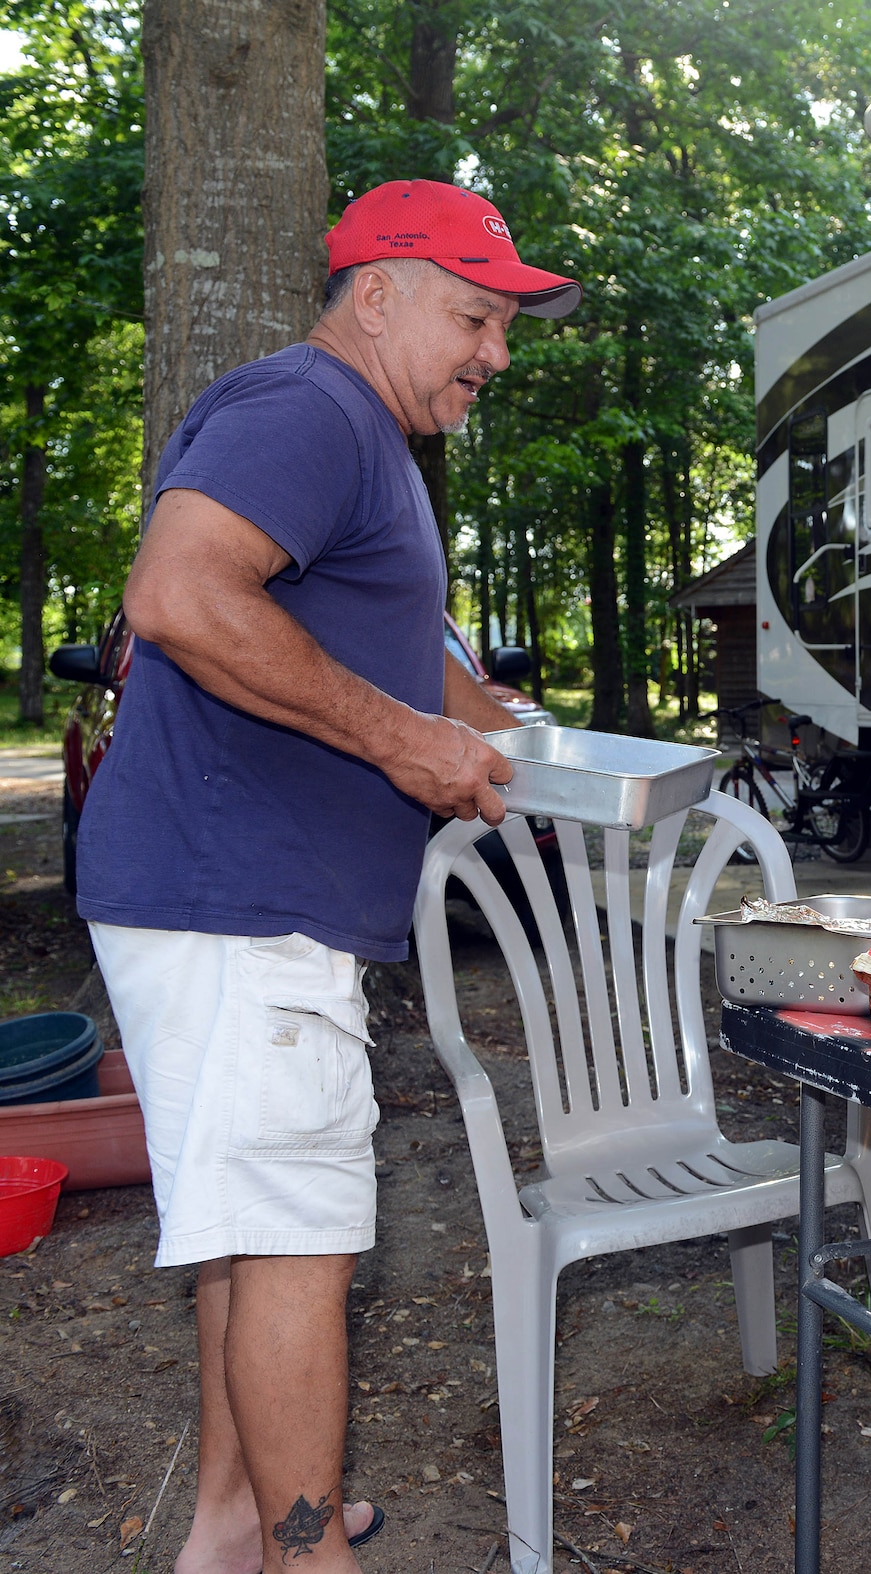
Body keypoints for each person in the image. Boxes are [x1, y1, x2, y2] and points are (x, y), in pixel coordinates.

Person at [74, 180, 578, 1574]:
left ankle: (238, 1524)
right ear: (380, 292)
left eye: (505, 324)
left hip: (238, 896)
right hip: (236, 899)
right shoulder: (309, 407)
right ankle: (308, 1557)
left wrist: (498, 728)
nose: (497, 351)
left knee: (252, 1230)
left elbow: (372, 634)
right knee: (297, 1235)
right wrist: (406, 743)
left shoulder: (361, 433)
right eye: (476, 315)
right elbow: (177, 595)